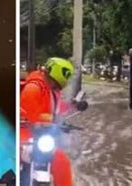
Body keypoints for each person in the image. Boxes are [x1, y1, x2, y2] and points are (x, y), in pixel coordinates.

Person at [20, 57, 87, 186]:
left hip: (40, 138)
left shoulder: (52, 91)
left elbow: (57, 108)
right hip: (24, 138)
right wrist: (41, 123)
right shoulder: (33, 88)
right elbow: (27, 114)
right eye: (54, 82)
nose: (55, 86)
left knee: (62, 162)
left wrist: (73, 106)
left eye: (57, 85)